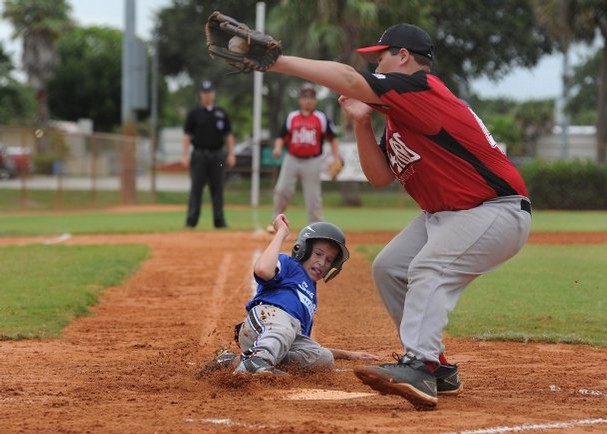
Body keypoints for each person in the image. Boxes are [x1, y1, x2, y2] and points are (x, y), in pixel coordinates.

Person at [260, 23, 532, 409]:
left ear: (403, 57)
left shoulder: (420, 88)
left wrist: (278, 62)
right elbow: (379, 177)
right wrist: (360, 122)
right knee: (389, 267)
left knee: (428, 269)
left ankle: (418, 365)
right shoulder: (399, 116)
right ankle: (437, 367)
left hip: (494, 208)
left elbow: (349, 78)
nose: (377, 65)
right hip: (447, 215)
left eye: (382, 56)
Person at [218, 214, 380, 375]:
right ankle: (255, 362)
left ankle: (234, 362)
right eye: (318, 254)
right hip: (265, 321)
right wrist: (281, 232)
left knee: (323, 358)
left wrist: (348, 354)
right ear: (302, 249)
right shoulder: (290, 265)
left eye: (329, 260)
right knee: (286, 327)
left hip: (281, 337)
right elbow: (262, 270)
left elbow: (299, 344)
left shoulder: (310, 296)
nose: (322, 263)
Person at [266, 83, 341, 233]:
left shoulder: (321, 118)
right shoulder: (292, 117)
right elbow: (281, 136)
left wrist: (336, 158)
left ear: (315, 100)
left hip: (313, 161)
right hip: (292, 159)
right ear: (300, 100)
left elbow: (332, 139)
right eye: (305, 96)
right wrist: (278, 148)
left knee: (313, 196)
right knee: (282, 190)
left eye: (311, 97)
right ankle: (276, 223)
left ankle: (316, 228)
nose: (308, 100)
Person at [182, 80, 236, 229]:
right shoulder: (194, 113)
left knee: (218, 188)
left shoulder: (221, 113)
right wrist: (185, 155)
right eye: (204, 92)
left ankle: (219, 221)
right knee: (196, 188)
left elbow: (229, 135)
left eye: (209, 92)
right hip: (199, 154)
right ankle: (191, 221)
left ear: (214, 93)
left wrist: (231, 154)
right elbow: (187, 136)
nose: (207, 95)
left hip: (218, 155)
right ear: (201, 94)